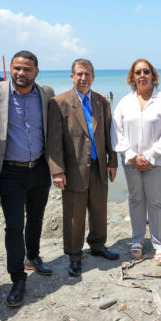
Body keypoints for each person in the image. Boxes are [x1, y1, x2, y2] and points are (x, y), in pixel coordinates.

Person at [0, 51, 55, 307]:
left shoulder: (46, 93)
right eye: (17, 68)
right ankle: (17, 278)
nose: (21, 73)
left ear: (36, 72)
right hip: (10, 172)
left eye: (27, 69)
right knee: (13, 226)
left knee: (36, 217)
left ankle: (33, 255)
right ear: (11, 68)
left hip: (40, 168)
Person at [48, 58, 119, 278]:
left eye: (87, 74)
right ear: (72, 77)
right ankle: (74, 256)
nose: (83, 78)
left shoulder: (101, 101)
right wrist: (57, 170)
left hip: (99, 166)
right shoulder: (59, 102)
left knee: (99, 209)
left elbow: (110, 133)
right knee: (74, 215)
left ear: (93, 77)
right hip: (73, 169)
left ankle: (97, 245)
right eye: (79, 74)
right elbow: (53, 141)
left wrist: (113, 161)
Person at [111, 59, 161, 265]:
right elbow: (116, 132)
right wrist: (132, 155)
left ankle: (159, 245)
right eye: (138, 72)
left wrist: (149, 156)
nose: (142, 75)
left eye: (146, 72)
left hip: (158, 162)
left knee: (156, 201)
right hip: (131, 162)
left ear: (153, 75)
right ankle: (137, 240)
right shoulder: (124, 102)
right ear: (132, 77)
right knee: (135, 200)